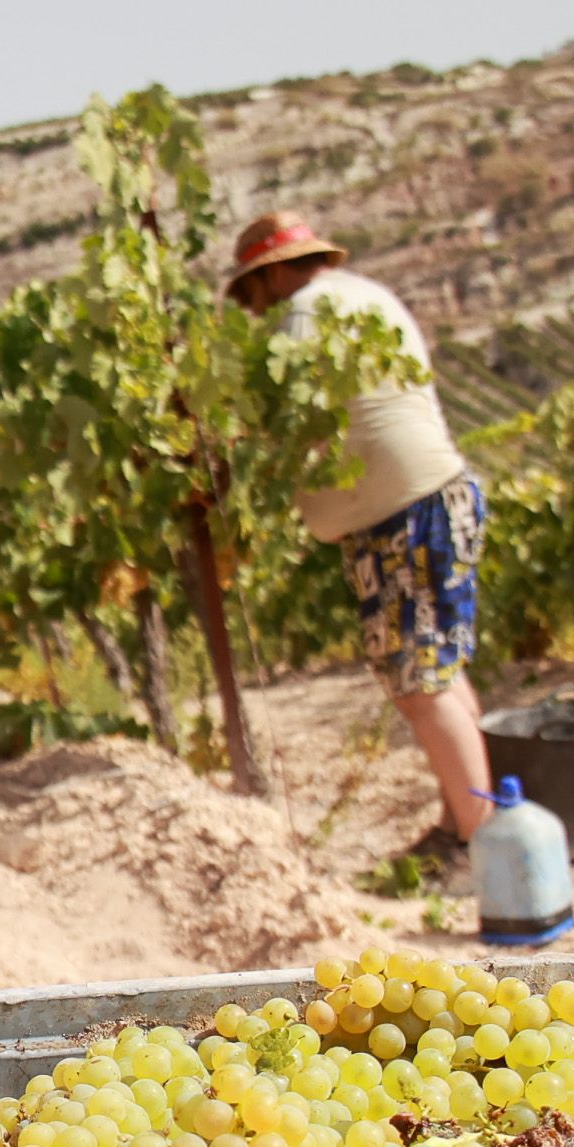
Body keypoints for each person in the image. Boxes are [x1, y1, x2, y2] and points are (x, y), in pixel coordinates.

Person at [224, 210, 494, 853]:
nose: (253, 309)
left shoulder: (300, 318)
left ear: (267, 276)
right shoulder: (365, 295)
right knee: (439, 673)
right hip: (430, 505)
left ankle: (481, 845)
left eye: (252, 292)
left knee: (421, 684)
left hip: (407, 517)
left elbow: (277, 427)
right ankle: (467, 824)